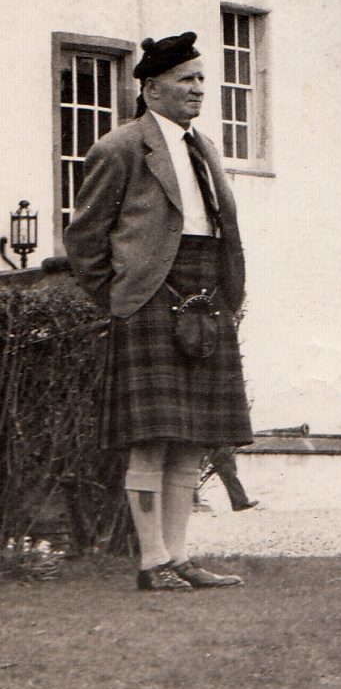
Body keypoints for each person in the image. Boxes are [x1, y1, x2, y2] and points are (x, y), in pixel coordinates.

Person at [63, 31, 251, 591]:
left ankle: (179, 557)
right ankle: (152, 563)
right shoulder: (120, 147)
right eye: (186, 81)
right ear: (151, 89)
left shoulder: (204, 146)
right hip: (149, 298)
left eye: (200, 80)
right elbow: (84, 239)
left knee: (191, 438)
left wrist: (227, 293)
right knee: (151, 437)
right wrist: (124, 296)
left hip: (206, 293)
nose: (198, 90)